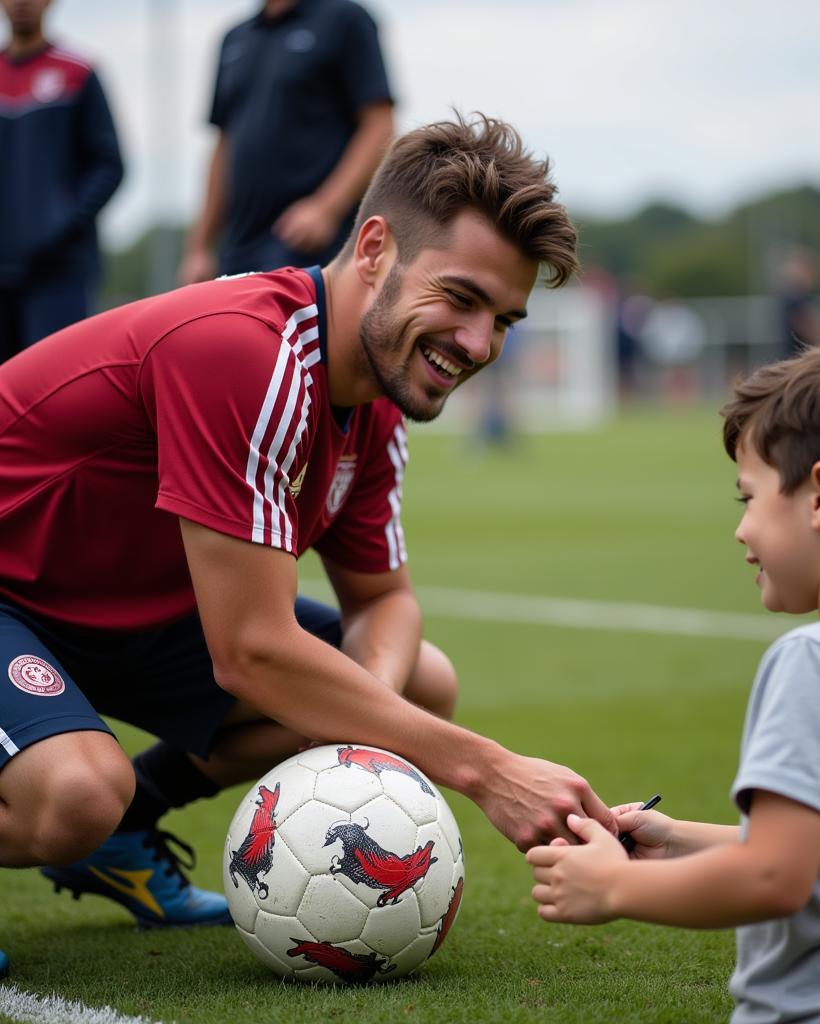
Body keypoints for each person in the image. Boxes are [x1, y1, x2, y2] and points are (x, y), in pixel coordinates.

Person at [0, 114, 615, 974]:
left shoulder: (373, 405)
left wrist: (372, 728)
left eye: (504, 319)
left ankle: (119, 836)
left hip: (110, 615)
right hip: (11, 593)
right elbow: (251, 653)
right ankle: (96, 822)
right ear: (373, 249)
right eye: (462, 298)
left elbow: (386, 601)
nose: (480, 345)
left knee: (417, 685)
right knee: (74, 791)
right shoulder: (244, 354)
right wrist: (489, 771)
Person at [527, 330, 820, 1023]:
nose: (741, 531)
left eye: (747, 499)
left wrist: (611, 889)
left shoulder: (817, 661)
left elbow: (776, 876)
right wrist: (676, 839)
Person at [178, 0, 394, 284]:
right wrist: (200, 247)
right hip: (238, 245)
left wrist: (325, 209)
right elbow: (224, 144)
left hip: (307, 245)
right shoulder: (235, 37)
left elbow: (379, 125)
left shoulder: (346, 20)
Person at [0, 0, 124, 364]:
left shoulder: (77, 73)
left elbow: (110, 165)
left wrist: (59, 226)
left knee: (52, 398)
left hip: (58, 276)